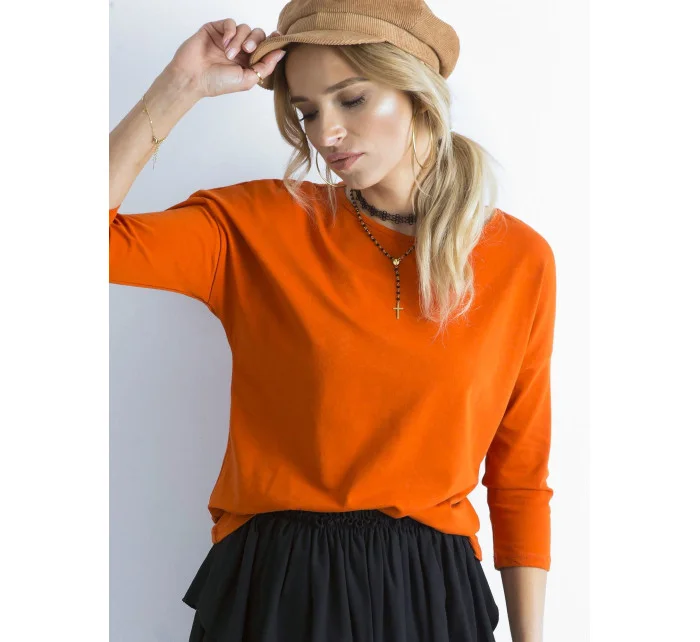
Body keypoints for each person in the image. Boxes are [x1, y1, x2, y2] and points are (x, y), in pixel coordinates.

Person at [109, 1, 556, 640]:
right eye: (307, 111)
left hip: (432, 595)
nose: (327, 134)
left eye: (352, 99)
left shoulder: (518, 259)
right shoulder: (260, 226)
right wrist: (181, 85)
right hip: (277, 587)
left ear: (417, 94)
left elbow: (520, 479)